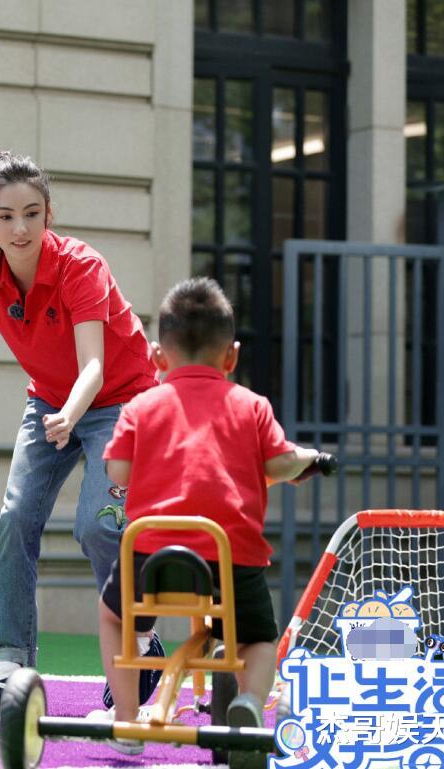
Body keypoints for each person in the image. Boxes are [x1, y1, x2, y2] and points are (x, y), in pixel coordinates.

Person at [0, 151, 163, 720]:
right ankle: (9, 665)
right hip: (51, 402)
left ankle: (141, 642)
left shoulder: (81, 265)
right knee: (15, 520)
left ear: (49, 212)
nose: (21, 227)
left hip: (120, 400)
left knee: (98, 527)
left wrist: (71, 415)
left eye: (32, 213)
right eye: (6, 216)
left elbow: (96, 367)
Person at [94, 277, 327, 755]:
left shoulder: (142, 405)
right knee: (260, 640)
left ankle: (126, 721)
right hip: (230, 559)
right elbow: (278, 464)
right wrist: (307, 459)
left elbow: (118, 469)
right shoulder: (252, 407)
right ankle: (247, 702)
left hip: (149, 555)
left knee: (114, 617)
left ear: (158, 357)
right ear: (232, 356)